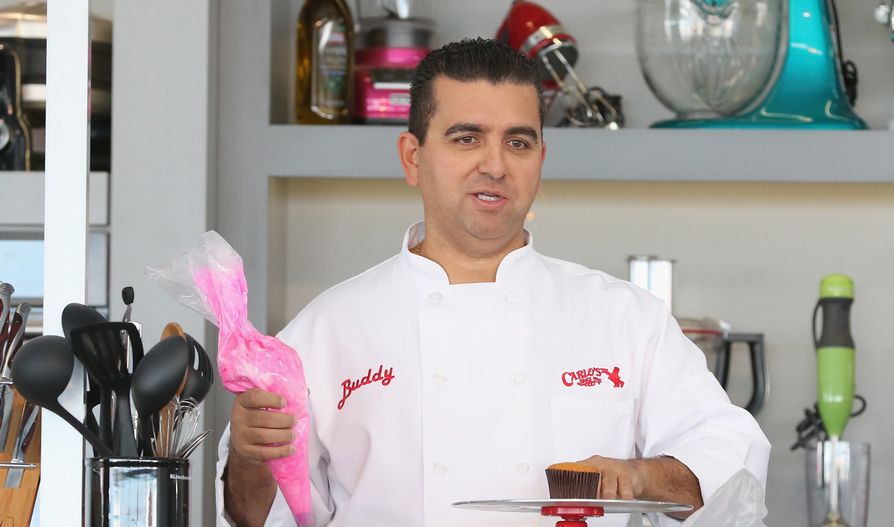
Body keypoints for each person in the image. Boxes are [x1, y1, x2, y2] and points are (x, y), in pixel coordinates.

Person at [217, 38, 770, 527]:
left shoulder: (625, 318)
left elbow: (731, 460)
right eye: (466, 138)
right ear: (413, 157)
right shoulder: (324, 331)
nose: (496, 165)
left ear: (541, 159)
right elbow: (254, 519)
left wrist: (639, 476)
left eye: (518, 142)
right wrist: (248, 458)